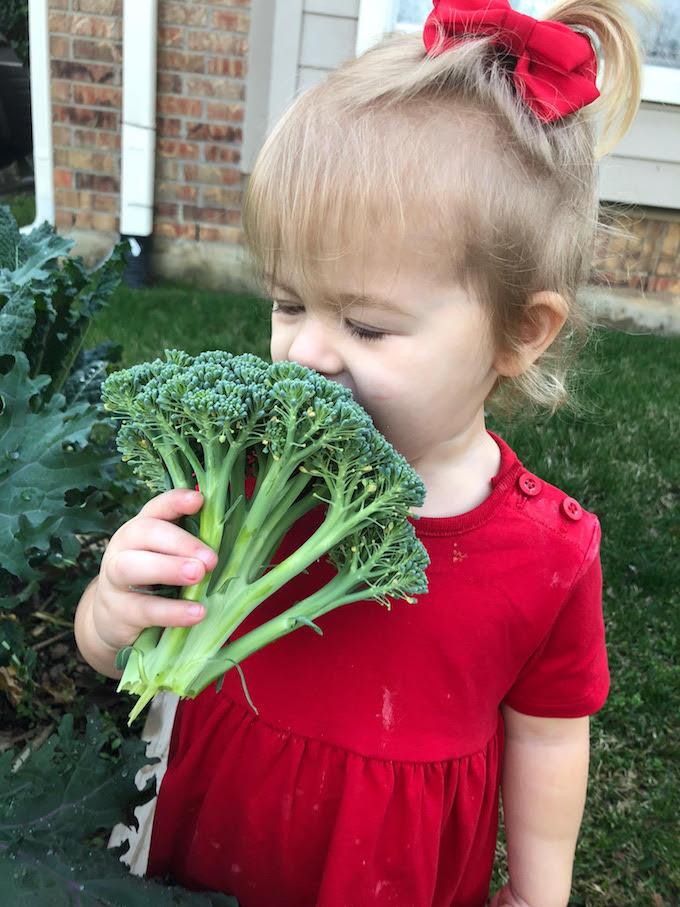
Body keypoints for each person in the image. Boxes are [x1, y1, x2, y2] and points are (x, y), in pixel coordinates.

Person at [74, 1, 653, 904]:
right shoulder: (241, 473)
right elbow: (126, 656)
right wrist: (111, 610)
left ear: (521, 332)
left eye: (368, 325)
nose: (307, 352)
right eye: (287, 303)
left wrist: (540, 890)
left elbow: (548, 733)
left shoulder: (551, 551)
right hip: (207, 833)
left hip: (393, 873)